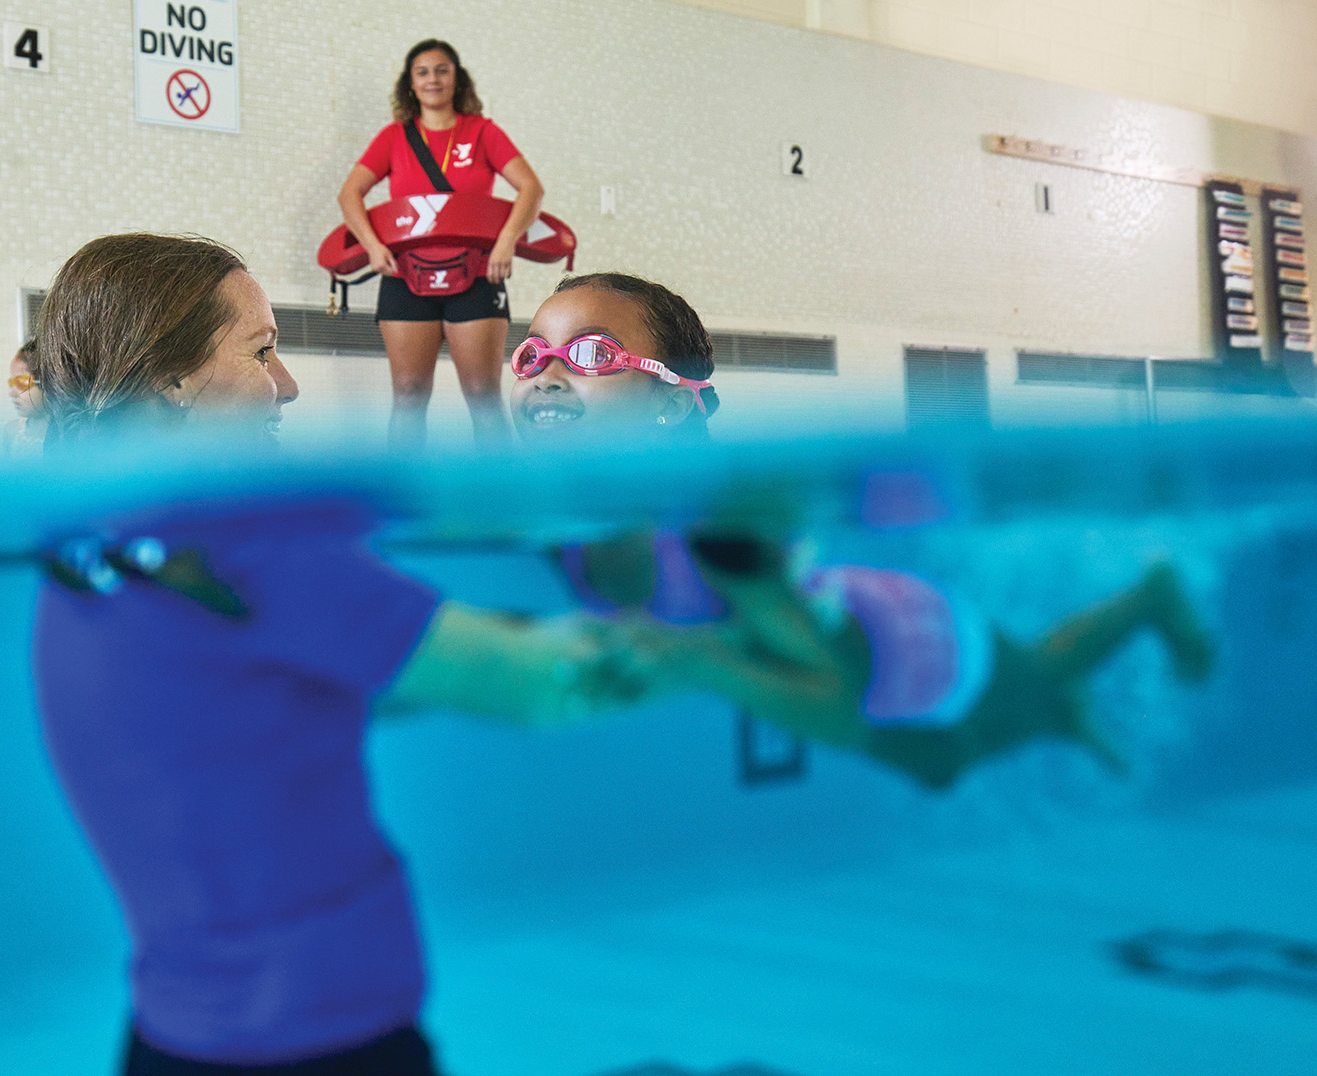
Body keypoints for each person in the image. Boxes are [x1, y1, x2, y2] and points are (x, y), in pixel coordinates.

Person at [29, 234, 694, 1075]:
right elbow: (534, 687)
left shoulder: (90, 546)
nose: (289, 385)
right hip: (322, 1033)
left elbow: (253, 713)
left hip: (175, 1030)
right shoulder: (244, 548)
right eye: (263, 351)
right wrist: (716, 632)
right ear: (172, 381)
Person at [511, 272, 1216, 789]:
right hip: (842, 631)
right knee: (948, 760)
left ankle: (1146, 601)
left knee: (1016, 695)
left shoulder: (716, 534)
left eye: (593, 355)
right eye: (531, 355)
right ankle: (1064, 710)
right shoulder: (556, 530)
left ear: (669, 405)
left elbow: (836, 710)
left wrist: (695, 660)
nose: (545, 374)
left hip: (904, 642)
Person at [337, 38, 544, 449]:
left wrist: (505, 244)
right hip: (404, 276)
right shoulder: (394, 137)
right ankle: (406, 502)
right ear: (410, 84)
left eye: (442, 69)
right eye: (423, 71)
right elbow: (349, 194)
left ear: (457, 77)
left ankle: (498, 503)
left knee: (483, 395)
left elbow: (531, 188)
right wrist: (375, 248)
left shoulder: (483, 132)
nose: (433, 78)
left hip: (477, 274)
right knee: (409, 395)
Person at [5, 338, 47, 457]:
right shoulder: (12, 432)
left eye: (21, 383)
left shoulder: (67, 434)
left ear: (49, 385)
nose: (11, 393)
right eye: (11, 383)